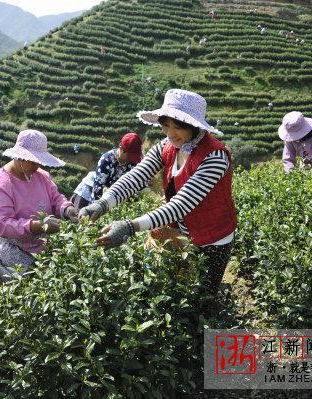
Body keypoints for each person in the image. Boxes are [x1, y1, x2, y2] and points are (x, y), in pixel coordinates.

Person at [80, 89, 237, 298]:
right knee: (176, 285)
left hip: (212, 236)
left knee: (203, 295)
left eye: (178, 127)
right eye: (165, 125)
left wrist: (129, 226)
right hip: (179, 228)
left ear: (194, 125)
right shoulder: (166, 146)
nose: (170, 133)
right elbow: (136, 176)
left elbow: (180, 205)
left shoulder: (214, 156)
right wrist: (102, 203)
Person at [0, 129, 78, 284]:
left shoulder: (41, 176)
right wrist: (36, 226)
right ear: (19, 157)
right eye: (33, 161)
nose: (37, 165)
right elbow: (2, 225)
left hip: (41, 249)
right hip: (10, 253)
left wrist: (67, 209)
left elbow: (55, 198)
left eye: (39, 161)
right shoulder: (0, 184)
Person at [70, 132, 143, 210]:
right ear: (121, 149)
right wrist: (94, 210)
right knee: (80, 217)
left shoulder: (133, 162)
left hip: (109, 194)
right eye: (130, 156)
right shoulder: (107, 160)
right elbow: (97, 189)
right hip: (89, 191)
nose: (131, 159)